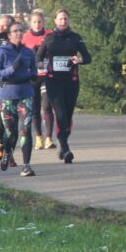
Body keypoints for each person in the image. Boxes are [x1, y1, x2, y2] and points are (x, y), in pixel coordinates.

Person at [36, 9, 91, 164]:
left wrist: (78, 60)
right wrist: (39, 63)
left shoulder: (75, 38)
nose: (63, 21)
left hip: (71, 81)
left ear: (69, 20)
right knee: (60, 114)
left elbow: (88, 58)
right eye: (60, 19)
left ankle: (62, 144)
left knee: (67, 116)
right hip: (53, 81)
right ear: (55, 21)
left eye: (65, 19)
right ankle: (66, 149)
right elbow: (38, 56)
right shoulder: (49, 38)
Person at [0, 21, 37, 176]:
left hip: (26, 94)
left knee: (26, 130)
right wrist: (13, 68)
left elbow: (34, 69)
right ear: (9, 35)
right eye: (15, 31)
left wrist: (31, 74)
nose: (19, 33)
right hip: (7, 95)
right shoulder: (2, 51)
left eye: (21, 30)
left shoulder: (28, 52)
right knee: (10, 132)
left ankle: (26, 165)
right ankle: (7, 153)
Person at [22, 9, 55, 150]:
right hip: (33, 77)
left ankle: (49, 138)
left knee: (47, 106)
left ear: (44, 22)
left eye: (40, 22)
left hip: (47, 76)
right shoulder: (25, 37)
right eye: (34, 22)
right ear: (30, 23)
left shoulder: (50, 35)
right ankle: (38, 137)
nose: (37, 24)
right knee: (35, 108)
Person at [0, 14, 15, 164]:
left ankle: (8, 154)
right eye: (1, 25)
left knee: (8, 126)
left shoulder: (15, 46)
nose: (2, 29)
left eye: (6, 26)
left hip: (8, 90)